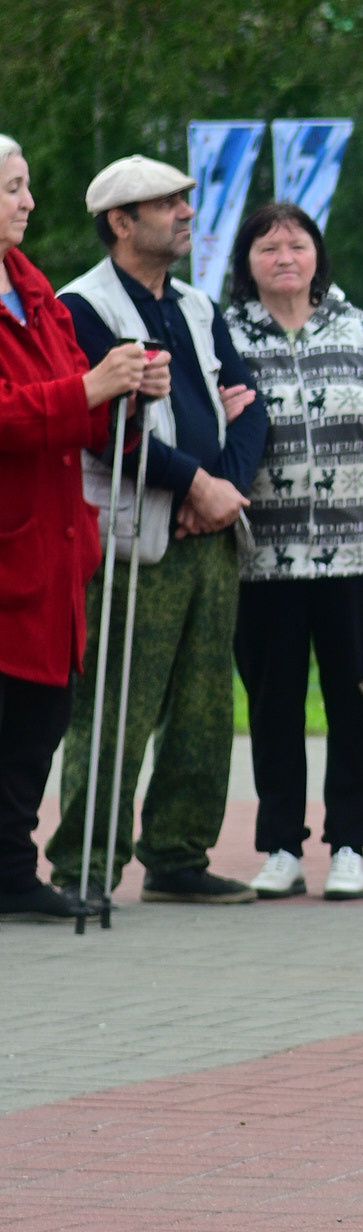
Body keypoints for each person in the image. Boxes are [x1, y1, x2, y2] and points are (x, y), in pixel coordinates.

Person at [47, 158, 269, 906]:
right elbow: (99, 425)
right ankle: (85, 866)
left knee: (206, 707)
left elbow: (250, 404)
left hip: (211, 533)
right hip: (131, 538)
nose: (184, 212)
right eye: (166, 202)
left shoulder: (197, 306)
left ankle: (178, 855)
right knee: (115, 708)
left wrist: (223, 489)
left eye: (184, 200)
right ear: (120, 222)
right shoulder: (82, 308)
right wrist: (193, 483)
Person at [224, 199, 363, 902]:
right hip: (262, 558)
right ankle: (281, 846)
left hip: (357, 555)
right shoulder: (225, 339)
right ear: (247, 263)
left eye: (297, 246)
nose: (285, 258)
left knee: (354, 701)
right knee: (272, 705)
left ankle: (349, 845)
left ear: (317, 255)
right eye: (268, 248)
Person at [0, 136, 171, 918]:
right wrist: (89, 390)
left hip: (54, 543)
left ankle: (12, 873)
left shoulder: (32, 290)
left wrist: (128, 391)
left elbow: (81, 403)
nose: (29, 202)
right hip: (14, 541)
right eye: (13, 188)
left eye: (27, 185)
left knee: (41, 717)